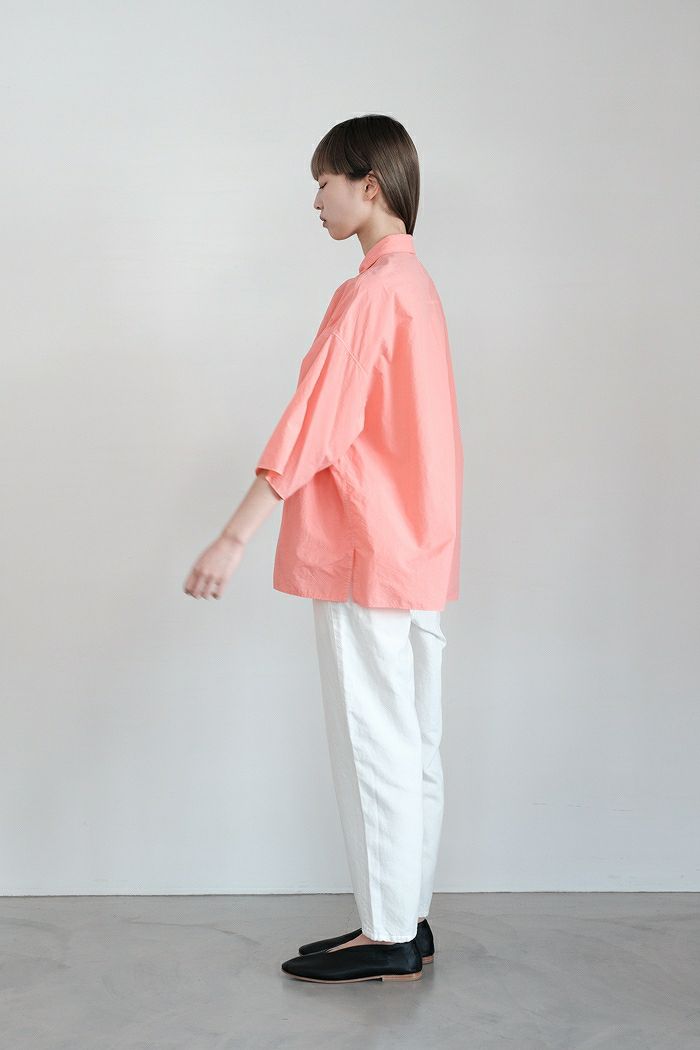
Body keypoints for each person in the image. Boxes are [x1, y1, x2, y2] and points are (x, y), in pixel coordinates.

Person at [183, 114, 464, 984]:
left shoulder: (370, 294)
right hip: (417, 550)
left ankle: (386, 934)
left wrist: (233, 535)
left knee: (373, 740)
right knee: (413, 741)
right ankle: (406, 917)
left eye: (325, 182)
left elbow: (315, 425)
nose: (315, 200)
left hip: (365, 550)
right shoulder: (416, 286)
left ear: (368, 186)